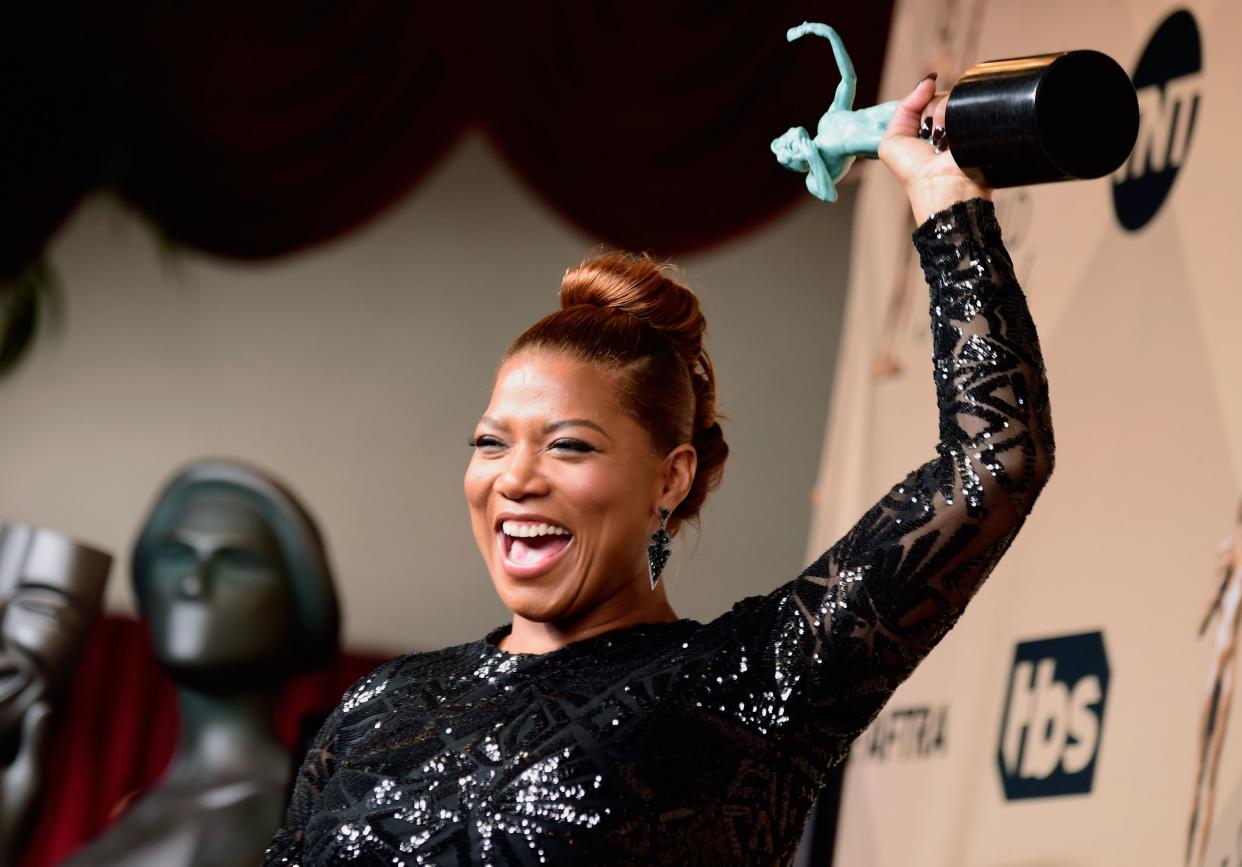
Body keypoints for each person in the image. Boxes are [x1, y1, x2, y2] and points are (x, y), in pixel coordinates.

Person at [263, 74, 1054, 866]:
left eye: (568, 445)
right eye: (491, 442)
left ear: (670, 479)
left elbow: (996, 458)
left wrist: (940, 194)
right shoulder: (381, 702)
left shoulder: (745, 684)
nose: (516, 477)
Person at [65, 459, 339, 867]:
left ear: (296, 605)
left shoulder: (282, 813)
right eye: (176, 555)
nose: (193, 584)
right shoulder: (139, 806)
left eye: (237, 561)